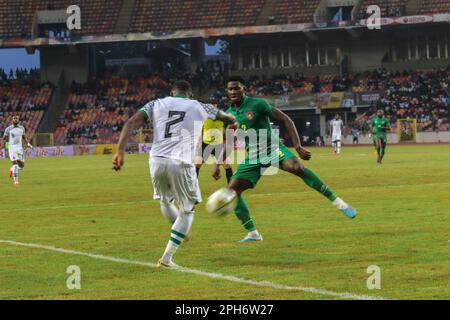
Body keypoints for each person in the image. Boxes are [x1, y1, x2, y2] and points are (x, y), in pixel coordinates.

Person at [213, 77, 357, 243]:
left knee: (297, 168)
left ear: (243, 89)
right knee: (231, 192)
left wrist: (297, 146)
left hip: (272, 148)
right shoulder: (229, 115)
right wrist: (217, 165)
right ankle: (253, 233)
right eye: (230, 89)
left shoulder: (257, 104)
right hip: (253, 156)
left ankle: (340, 203)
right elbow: (229, 141)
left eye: (236, 88)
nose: (233, 92)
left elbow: (285, 119)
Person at [112, 81, 237, 268]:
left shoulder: (155, 104)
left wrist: (120, 151)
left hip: (156, 159)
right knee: (188, 211)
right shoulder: (199, 106)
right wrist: (233, 122)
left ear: (172, 92)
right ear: (190, 94)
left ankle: (177, 229)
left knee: (165, 200)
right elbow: (226, 117)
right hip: (181, 162)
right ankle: (167, 258)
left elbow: (131, 122)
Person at [1, 115, 33, 186]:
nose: (15, 119)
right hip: (12, 148)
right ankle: (16, 181)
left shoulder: (22, 128)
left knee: (21, 166)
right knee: (15, 164)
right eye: (14, 118)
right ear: (12, 120)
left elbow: (24, 137)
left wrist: (28, 144)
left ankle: (11, 169)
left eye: (17, 118)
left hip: (19, 148)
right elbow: (4, 138)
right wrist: (5, 144)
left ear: (19, 120)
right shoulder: (8, 129)